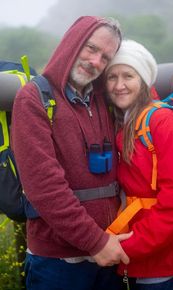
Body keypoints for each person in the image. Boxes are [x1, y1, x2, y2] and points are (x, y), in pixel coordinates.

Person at [11, 16, 132, 290]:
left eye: (105, 57)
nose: (96, 62)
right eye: (91, 48)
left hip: (108, 254)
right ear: (72, 42)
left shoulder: (104, 99)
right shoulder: (33, 98)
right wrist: (95, 241)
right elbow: (45, 187)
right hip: (58, 263)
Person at [105, 39, 173, 290]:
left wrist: (127, 247)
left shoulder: (163, 121)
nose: (119, 85)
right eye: (112, 77)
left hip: (169, 258)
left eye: (128, 75)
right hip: (144, 255)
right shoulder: (124, 123)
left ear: (143, 79)